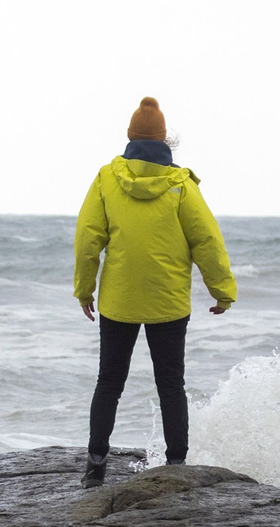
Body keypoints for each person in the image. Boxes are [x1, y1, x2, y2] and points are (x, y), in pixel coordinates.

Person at [72, 97, 237, 487]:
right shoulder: (180, 186)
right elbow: (207, 242)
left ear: (130, 137)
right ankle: (176, 465)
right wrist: (223, 291)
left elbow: (87, 240)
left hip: (118, 300)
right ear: (166, 141)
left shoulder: (106, 179)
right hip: (169, 302)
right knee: (171, 385)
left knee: (109, 382)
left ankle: (96, 465)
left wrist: (84, 289)